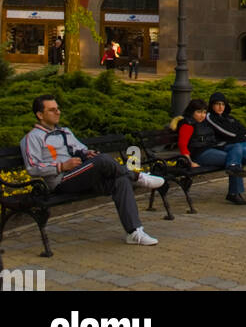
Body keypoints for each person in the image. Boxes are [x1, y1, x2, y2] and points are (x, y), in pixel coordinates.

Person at [20, 94, 164, 245]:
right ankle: (137, 177)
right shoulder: (32, 138)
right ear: (40, 115)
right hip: (62, 181)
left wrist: (86, 153)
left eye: (58, 109)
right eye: (52, 110)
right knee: (102, 161)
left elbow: (81, 149)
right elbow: (33, 167)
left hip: (81, 176)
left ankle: (134, 232)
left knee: (120, 180)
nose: (58, 112)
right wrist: (61, 166)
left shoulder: (65, 132)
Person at [175, 99, 246, 203]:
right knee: (234, 161)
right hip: (200, 154)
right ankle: (234, 193)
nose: (202, 115)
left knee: (236, 148)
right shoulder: (188, 125)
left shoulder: (204, 123)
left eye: (204, 112)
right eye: (199, 112)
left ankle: (234, 189)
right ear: (191, 112)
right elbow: (182, 146)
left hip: (211, 149)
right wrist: (190, 162)